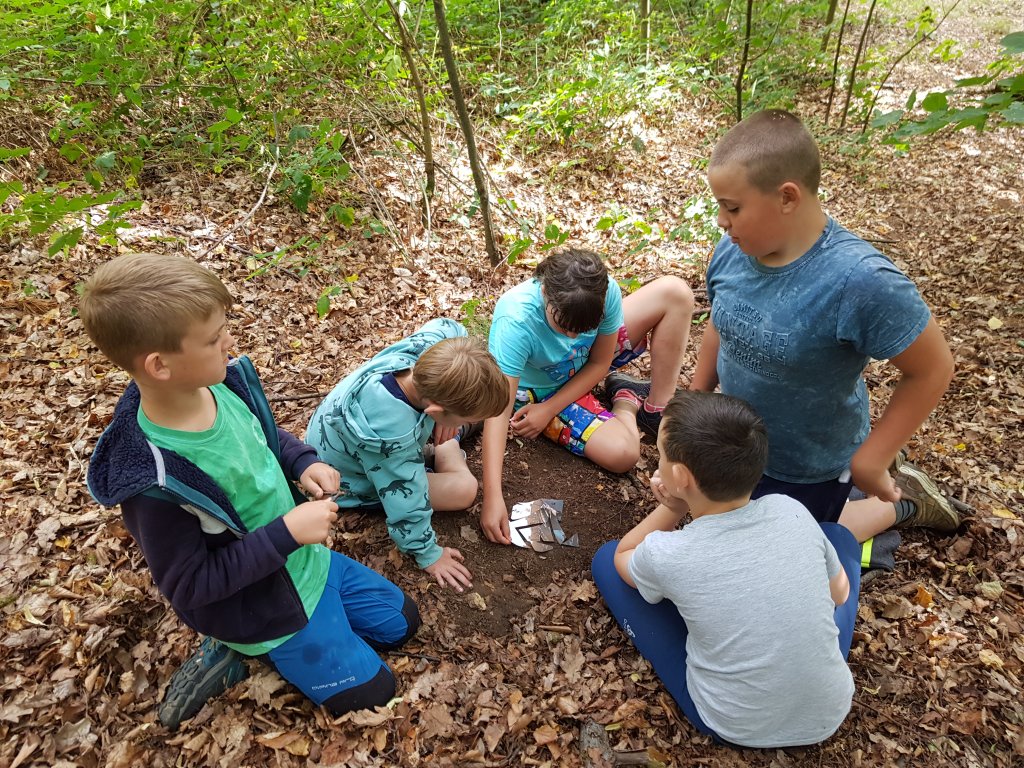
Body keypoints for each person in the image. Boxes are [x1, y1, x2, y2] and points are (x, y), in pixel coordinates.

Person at [82, 253, 420, 731]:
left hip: (309, 564)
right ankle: (238, 649)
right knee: (375, 694)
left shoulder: (220, 386)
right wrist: (288, 533)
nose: (229, 342)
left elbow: (262, 433)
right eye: (213, 338)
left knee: (403, 623)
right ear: (159, 365)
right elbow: (192, 586)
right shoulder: (154, 482)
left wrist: (303, 462)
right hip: (263, 607)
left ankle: (307, 621)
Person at [692, 109, 959, 549]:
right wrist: (695, 399)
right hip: (735, 445)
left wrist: (874, 457)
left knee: (792, 552)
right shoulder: (733, 250)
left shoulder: (860, 281)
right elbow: (721, 322)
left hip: (809, 465)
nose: (722, 220)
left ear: (787, 197)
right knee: (737, 544)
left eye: (733, 207)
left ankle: (901, 503)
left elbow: (933, 368)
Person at [592, 391, 860, 748]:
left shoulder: (670, 553)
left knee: (605, 561)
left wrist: (672, 508)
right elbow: (839, 594)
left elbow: (623, 555)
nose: (658, 460)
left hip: (732, 724)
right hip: (828, 711)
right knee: (837, 535)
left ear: (681, 476)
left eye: (661, 454)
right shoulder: (789, 509)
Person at [480, 248, 694, 544]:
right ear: (545, 293)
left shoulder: (604, 294)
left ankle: (656, 407)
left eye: (582, 330)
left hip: (586, 364)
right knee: (624, 454)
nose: (570, 338)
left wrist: (550, 410)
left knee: (675, 292)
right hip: (540, 391)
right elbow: (498, 409)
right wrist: (492, 496)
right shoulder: (516, 320)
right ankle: (627, 401)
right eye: (563, 327)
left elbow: (599, 362)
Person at [307, 319, 508, 592]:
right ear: (435, 410)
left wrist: (445, 420)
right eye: (465, 420)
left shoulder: (424, 353)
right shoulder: (390, 438)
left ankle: (445, 441)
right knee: (465, 490)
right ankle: (448, 448)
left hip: (337, 444)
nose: (466, 422)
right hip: (349, 480)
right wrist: (429, 554)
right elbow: (406, 503)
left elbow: (450, 327)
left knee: (443, 440)